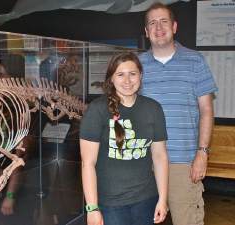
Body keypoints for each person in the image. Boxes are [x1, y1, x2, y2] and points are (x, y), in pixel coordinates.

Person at [139, 3, 218, 225]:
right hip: (144, 163)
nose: (158, 27)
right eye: (152, 23)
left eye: (163, 21)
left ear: (174, 26)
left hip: (182, 163)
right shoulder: (137, 66)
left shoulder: (195, 61)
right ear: (146, 32)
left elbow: (206, 110)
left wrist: (202, 153)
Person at [80, 52, 169, 225]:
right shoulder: (97, 110)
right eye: (120, 74)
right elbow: (87, 163)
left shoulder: (154, 109)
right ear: (111, 79)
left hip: (147, 199)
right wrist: (92, 208)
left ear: (141, 76)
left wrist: (163, 199)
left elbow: (160, 157)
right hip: (110, 203)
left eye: (132, 74)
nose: (127, 80)